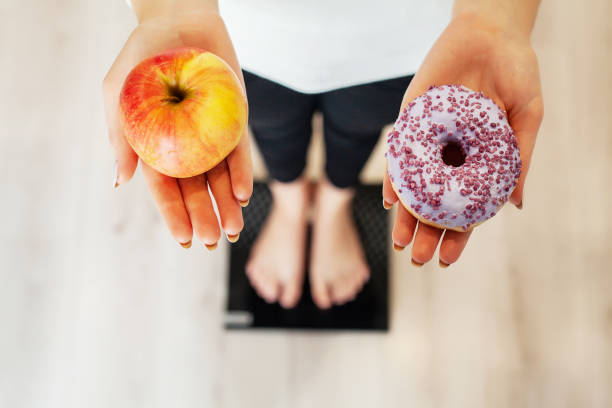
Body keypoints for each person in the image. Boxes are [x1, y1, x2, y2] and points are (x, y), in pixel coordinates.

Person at [103, 0, 543, 309]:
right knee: (269, 125)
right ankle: (291, 204)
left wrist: (494, 16)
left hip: (409, 37)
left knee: (359, 125)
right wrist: (171, 8)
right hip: (229, 33)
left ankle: (334, 204)